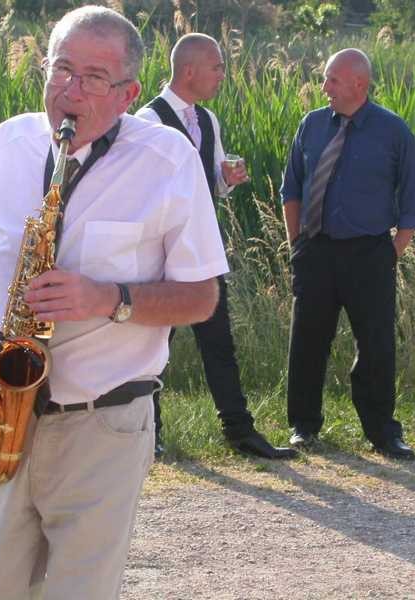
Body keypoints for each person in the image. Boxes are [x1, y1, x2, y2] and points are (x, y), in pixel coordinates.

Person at [0, 6, 228, 599]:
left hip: (106, 424)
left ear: (129, 93)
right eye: (62, 69)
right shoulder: (6, 145)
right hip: (7, 415)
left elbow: (203, 297)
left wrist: (108, 298)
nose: (71, 91)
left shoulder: (168, 161)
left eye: (94, 78)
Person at [136, 33, 294, 460]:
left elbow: (212, 186)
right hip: (159, 255)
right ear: (190, 70)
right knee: (153, 346)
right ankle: (149, 434)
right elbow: (144, 192)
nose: (222, 74)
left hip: (202, 250)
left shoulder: (208, 121)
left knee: (219, 341)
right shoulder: (147, 122)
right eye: (217, 66)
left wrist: (227, 179)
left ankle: (240, 432)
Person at [280, 48, 415, 459]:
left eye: (332, 80)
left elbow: (413, 195)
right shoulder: (311, 125)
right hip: (316, 250)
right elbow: (291, 188)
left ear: (358, 84)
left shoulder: (392, 131)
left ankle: (383, 432)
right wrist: (298, 244)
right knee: (307, 340)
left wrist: (393, 252)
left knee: (376, 344)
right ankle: (303, 426)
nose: (324, 87)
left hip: (370, 254)